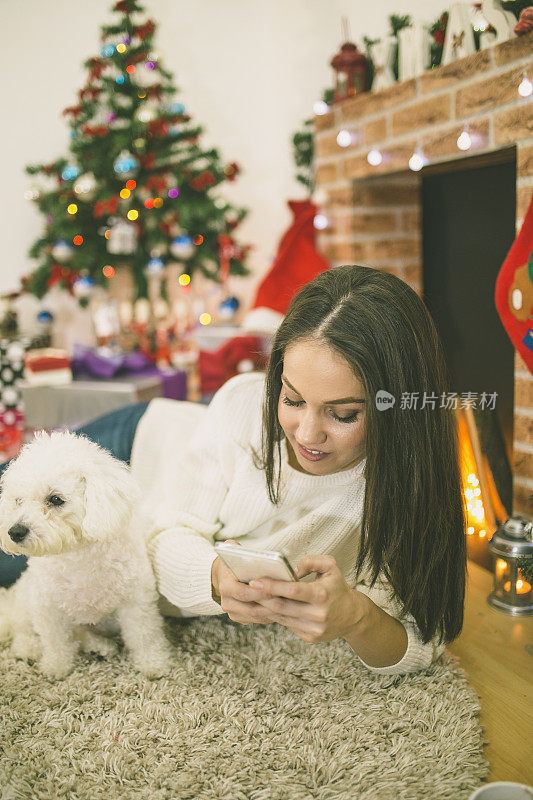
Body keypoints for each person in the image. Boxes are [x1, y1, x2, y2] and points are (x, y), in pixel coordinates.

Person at [0, 264, 467, 675]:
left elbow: (423, 639)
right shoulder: (244, 402)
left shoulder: (408, 484)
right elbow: (163, 535)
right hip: (128, 452)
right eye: (291, 398)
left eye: (343, 414)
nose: (306, 434)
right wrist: (212, 575)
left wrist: (358, 619)